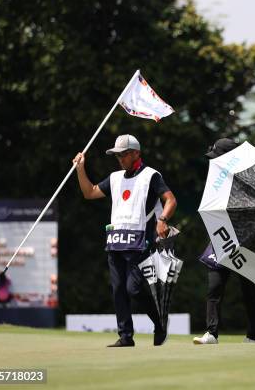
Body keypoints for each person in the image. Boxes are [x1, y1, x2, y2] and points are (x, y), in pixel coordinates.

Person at [73, 134, 177, 347]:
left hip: (141, 241)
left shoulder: (151, 176)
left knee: (134, 289)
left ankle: (160, 324)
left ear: (136, 153)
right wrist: (80, 169)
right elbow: (89, 193)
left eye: (123, 154)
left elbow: (170, 200)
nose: (119, 158)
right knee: (118, 288)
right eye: (117, 155)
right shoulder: (115, 178)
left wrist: (163, 220)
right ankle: (125, 336)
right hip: (116, 241)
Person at [193, 138, 255, 345]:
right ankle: (211, 333)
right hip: (221, 237)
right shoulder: (217, 179)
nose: (214, 162)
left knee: (249, 289)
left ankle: (252, 335)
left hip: (245, 239)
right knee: (214, 287)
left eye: (218, 157)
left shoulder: (250, 179)